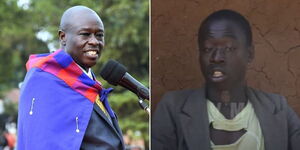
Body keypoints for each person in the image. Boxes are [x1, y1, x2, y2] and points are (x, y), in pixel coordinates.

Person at [152, 9, 300, 150]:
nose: (216, 58)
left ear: (249, 54)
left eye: (228, 48)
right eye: (208, 49)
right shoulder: (173, 108)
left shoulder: (277, 108)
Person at [17, 6, 124, 150]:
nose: (94, 41)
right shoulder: (45, 81)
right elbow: (41, 141)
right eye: (85, 34)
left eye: (99, 35)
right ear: (63, 37)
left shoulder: (89, 84)